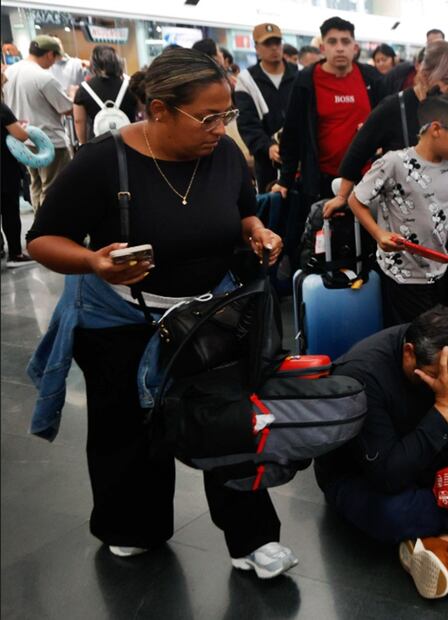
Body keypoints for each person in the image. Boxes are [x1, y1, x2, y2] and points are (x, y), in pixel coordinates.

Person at [24, 48, 296, 578]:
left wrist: (258, 233)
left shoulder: (224, 157)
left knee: (228, 422)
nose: (221, 128)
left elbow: (242, 214)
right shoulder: (104, 161)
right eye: (208, 117)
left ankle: (252, 537)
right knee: (126, 430)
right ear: (158, 109)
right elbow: (41, 240)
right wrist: (92, 261)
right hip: (120, 321)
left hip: (208, 316)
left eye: (228, 116)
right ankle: (132, 526)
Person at [314, 305, 448, 599]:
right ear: (409, 353)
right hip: (363, 476)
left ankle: (443, 541)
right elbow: (388, 475)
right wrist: (446, 406)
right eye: (438, 374)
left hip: (441, 467)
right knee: (393, 514)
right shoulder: (363, 375)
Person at [348, 94, 448, 325]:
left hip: (438, 272)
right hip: (399, 275)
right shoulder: (394, 162)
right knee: (410, 340)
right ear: (436, 129)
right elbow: (356, 200)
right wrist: (379, 234)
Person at [273, 16, 381, 205]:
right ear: (322, 48)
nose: (339, 47)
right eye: (332, 41)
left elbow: (387, 121)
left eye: (345, 41)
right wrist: (285, 180)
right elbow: (292, 131)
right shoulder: (306, 80)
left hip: (367, 178)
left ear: (354, 48)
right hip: (322, 179)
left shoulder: (371, 78)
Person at [2, 35, 73, 210]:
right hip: (50, 142)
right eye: (56, 58)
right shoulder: (44, 77)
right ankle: (51, 229)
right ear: (50, 54)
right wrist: (72, 94)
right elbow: (66, 108)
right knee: (54, 189)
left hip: (23, 141)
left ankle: (38, 227)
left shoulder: (9, 72)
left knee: (35, 185)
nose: (54, 63)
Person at [233, 22, 299, 192]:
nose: (274, 48)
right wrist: (267, 146)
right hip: (267, 163)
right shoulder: (246, 80)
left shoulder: (299, 73)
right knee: (272, 210)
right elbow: (247, 123)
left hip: (301, 160)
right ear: (256, 47)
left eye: (277, 43)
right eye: (268, 44)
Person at [72, 45, 138, 144]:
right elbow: (141, 112)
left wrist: (83, 144)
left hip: (98, 145)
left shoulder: (83, 89)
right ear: (117, 62)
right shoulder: (130, 85)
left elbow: (79, 121)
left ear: (93, 64)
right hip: (129, 142)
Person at [2, 77, 32, 263]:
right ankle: (16, 254)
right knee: (9, 212)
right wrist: (24, 128)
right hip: (4, 168)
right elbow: (21, 135)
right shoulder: (2, 109)